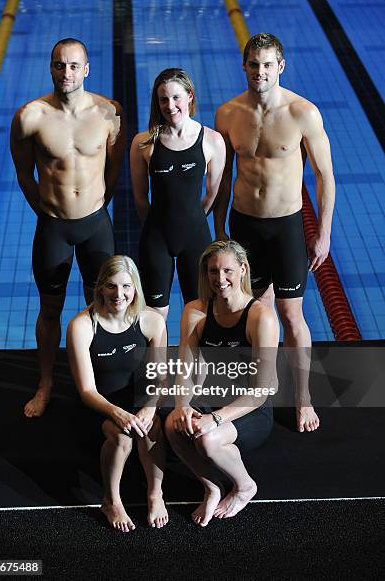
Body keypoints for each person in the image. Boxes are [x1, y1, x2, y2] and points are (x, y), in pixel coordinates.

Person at [214, 33, 336, 433]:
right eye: (254, 64)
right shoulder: (228, 113)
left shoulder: (303, 113)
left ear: (280, 66)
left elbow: (324, 176)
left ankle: (303, 399)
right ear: (244, 66)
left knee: (291, 314)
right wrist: (218, 227)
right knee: (254, 312)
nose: (260, 71)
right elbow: (222, 174)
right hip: (244, 223)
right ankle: (258, 390)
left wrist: (323, 233)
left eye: (268, 64)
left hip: (285, 225)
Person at [10, 38, 126, 418]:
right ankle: (46, 384)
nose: (66, 73)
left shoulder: (109, 112)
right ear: (50, 67)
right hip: (54, 228)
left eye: (73, 65)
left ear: (86, 69)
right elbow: (24, 174)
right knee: (50, 309)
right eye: (59, 65)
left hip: (96, 224)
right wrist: (43, 210)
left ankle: (98, 381)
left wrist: (97, 205)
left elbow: (113, 168)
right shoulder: (30, 116)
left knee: (105, 306)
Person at [165, 240, 279, 527]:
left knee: (207, 439)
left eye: (227, 270)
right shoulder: (196, 311)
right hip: (212, 396)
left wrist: (214, 419)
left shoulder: (260, 317)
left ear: (242, 270)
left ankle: (244, 487)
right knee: (172, 426)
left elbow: (260, 391)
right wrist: (182, 406)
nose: (220, 279)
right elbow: (186, 370)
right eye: (213, 271)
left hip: (250, 408)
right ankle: (212, 487)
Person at [66, 255, 169, 532]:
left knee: (153, 427)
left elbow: (160, 376)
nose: (119, 294)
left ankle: (155, 493)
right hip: (98, 406)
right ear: (100, 287)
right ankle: (111, 500)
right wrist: (117, 413)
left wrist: (149, 407)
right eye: (111, 286)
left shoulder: (151, 321)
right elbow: (87, 390)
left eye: (126, 286)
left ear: (135, 287)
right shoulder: (82, 326)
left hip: (137, 400)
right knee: (122, 436)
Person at [130, 68, 225, 320]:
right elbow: (140, 199)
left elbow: (212, 193)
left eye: (176, 98)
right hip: (156, 238)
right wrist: (156, 225)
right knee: (154, 314)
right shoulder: (143, 143)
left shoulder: (212, 141)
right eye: (163, 99)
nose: (170, 106)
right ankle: (156, 361)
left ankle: (192, 362)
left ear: (190, 96)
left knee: (199, 313)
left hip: (195, 235)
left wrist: (192, 217)